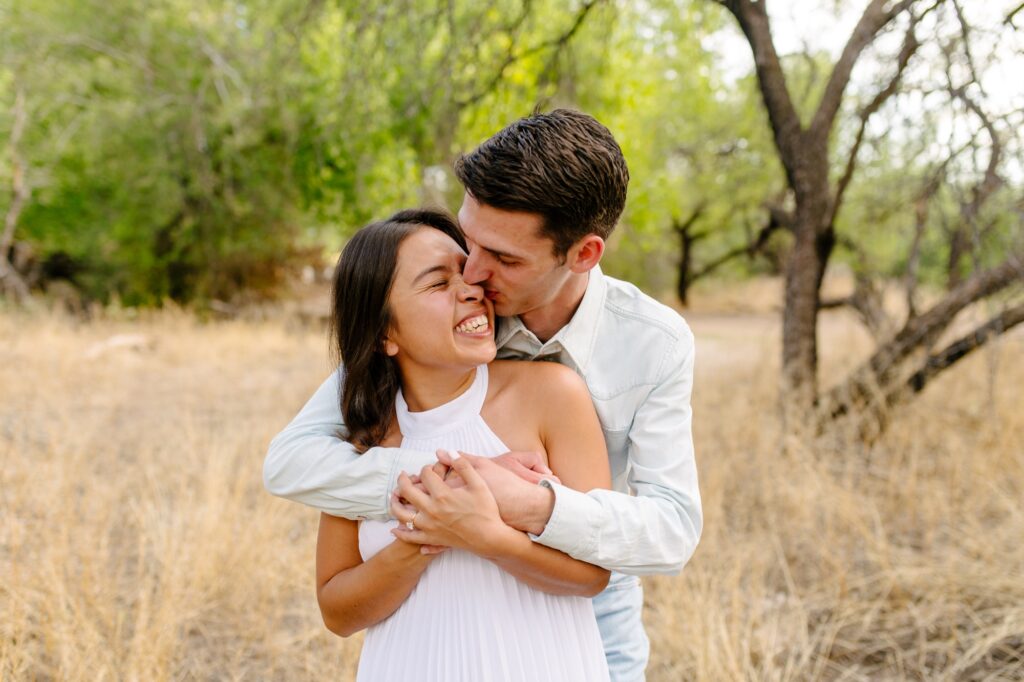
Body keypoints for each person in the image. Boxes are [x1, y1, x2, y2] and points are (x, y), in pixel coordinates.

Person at [265, 109, 702, 681]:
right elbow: (291, 462)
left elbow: (671, 528)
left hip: (593, 628)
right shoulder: (441, 326)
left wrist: (522, 503)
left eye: (505, 258)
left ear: (583, 255)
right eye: (470, 240)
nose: (473, 271)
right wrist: (458, 482)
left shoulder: (653, 345)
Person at [315, 208, 611, 680]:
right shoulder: (365, 436)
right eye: (436, 284)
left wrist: (486, 537)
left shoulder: (551, 394)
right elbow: (337, 611)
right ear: (385, 333)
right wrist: (425, 535)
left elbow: (595, 573)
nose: (472, 288)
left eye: (465, 270)